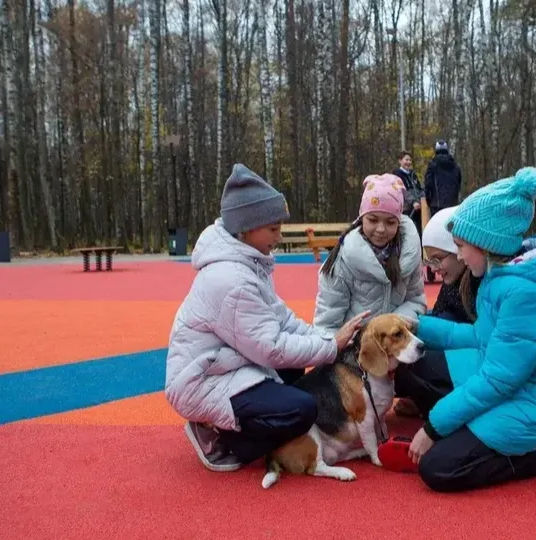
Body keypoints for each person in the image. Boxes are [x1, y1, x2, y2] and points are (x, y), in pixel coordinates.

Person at [396, 167, 536, 493]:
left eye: (460, 245)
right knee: (419, 366)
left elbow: (497, 382)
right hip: (522, 382)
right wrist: (418, 327)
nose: (458, 254)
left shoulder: (523, 293)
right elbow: (479, 338)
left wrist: (432, 427)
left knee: (438, 468)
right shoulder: (502, 275)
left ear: (485, 243)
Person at [164, 164, 367, 473]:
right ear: (246, 228)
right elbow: (269, 348)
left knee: (295, 366)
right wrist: (331, 346)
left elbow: (282, 319)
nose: (279, 235)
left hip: (227, 364)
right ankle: (224, 439)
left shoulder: (247, 264)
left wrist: (328, 339)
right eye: (273, 228)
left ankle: (249, 423)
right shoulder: (231, 279)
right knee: (302, 411)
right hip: (201, 380)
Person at [313, 173, 427, 333]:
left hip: (397, 344)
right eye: (373, 220)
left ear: (399, 222)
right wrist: (335, 350)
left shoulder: (409, 255)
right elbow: (327, 322)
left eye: (390, 222)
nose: (381, 229)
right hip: (354, 348)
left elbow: (416, 301)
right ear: (362, 218)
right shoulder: (342, 260)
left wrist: (391, 326)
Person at [424, 140, 462, 216]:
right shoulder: (456, 166)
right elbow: (458, 184)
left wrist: (428, 201)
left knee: (437, 227)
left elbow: (428, 184)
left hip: (437, 205)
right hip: (452, 205)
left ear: (436, 150)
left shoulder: (432, 165)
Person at [392, 151, 426, 236]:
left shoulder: (413, 174)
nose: (408, 162)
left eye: (410, 160)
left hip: (418, 207)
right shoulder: (397, 175)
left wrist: (423, 199)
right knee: (407, 231)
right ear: (400, 161)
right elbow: (403, 191)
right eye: (406, 160)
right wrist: (413, 202)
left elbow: (419, 188)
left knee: (419, 231)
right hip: (407, 208)